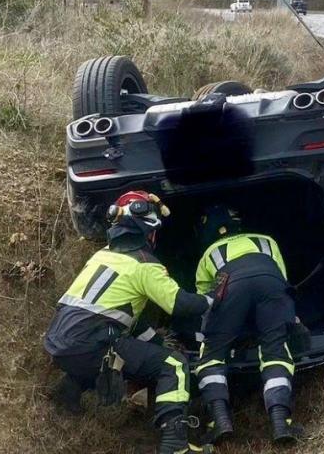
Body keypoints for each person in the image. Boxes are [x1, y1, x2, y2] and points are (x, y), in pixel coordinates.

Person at [44, 191, 214, 454]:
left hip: (59, 341)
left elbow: (125, 319)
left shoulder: (102, 256)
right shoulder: (144, 265)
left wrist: (157, 342)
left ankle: (67, 396)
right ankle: (175, 445)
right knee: (174, 365)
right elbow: (180, 305)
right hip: (93, 342)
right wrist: (211, 298)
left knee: (103, 351)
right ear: (149, 231)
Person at [194, 205, 302, 444]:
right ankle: (280, 422)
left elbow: (205, 303)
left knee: (211, 355)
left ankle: (219, 421)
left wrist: (213, 334)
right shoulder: (266, 241)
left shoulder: (209, 253)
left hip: (230, 286)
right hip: (271, 282)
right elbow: (281, 280)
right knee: (276, 352)